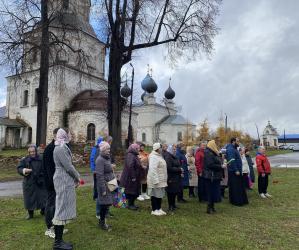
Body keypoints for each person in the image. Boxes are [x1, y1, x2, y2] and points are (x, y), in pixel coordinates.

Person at [52, 128, 81, 250]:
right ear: (63, 135)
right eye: (68, 134)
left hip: (64, 179)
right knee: (61, 209)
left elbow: (68, 164)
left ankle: (60, 241)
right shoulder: (59, 148)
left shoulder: (62, 146)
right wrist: (78, 177)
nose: (70, 136)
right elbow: (68, 167)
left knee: (63, 209)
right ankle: (58, 243)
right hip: (62, 180)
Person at [17, 145, 47, 220]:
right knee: (29, 199)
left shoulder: (42, 158)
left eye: (33, 151)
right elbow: (19, 168)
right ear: (28, 152)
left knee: (43, 197)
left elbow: (46, 168)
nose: (32, 153)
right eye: (30, 152)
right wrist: (24, 170)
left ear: (36, 151)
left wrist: (43, 176)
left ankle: (43, 211)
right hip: (29, 182)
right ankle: (30, 214)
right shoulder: (25, 160)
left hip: (40, 182)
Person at [43, 128, 60, 238]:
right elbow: (49, 169)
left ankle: (56, 226)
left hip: (57, 182)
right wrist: (54, 183)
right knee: (50, 205)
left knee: (57, 205)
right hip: (51, 183)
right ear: (54, 136)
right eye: (59, 135)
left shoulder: (58, 147)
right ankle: (49, 228)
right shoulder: (50, 149)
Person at [95, 141, 115, 230]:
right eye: (107, 149)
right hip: (104, 185)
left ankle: (103, 222)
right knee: (103, 204)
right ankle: (102, 223)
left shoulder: (107, 158)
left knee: (107, 204)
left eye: (109, 148)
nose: (109, 150)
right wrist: (103, 189)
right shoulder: (100, 160)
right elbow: (99, 176)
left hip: (110, 183)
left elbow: (108, 169)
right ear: (102, 150)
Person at [120, 143, 143, 210]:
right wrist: (133, 177)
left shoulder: (134, 155)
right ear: (134, 149)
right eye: (137, 148)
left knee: (134, 190)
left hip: (134, 176)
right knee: (131, 191)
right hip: (130, 177)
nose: (139, 149)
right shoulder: (131, 155)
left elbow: (136, 164)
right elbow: (130, 166)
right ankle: (130, 205)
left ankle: (132, 204)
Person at [226, 138, 248, 206]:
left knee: (238, 186)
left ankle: (238, 200)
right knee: (235, 187)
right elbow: (232, 160)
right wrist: (236, 170)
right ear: (233, 142)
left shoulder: (233, 148)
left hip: (236, 170)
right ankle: (236, 201)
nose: (238, 143)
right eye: (237, 141)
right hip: (234, 171)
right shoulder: (230, 149)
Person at [202, 140, 223, 214]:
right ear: (212, 145)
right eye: (215, 144)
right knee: (210, 192)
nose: (216, 146)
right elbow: (210, 165)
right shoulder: (208, 153)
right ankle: (209, 208)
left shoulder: (213, 152)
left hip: (213, 176)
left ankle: (212, 207)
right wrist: (221, 166)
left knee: (213, 192)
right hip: (210, 176)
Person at [147, 143, 168, 216]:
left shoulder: (159, 156)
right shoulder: (153, 157)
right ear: (157, 149)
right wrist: (155, 180)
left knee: (160, 195)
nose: (162, 149)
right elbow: (152, 169)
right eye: (161, 148)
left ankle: (159, 208)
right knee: (155, 195)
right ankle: (154, 209)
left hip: (161, 179)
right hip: (155, 180)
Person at [164, 144, 182, 212]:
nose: (175, 150)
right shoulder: (168, 156)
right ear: (170, 150)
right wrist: (179, 169)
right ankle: (170, 206)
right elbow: (169, 168)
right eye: (173, 149)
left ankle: (173, 204)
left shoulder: (175, 156)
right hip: (171, 177)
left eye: (175, 149)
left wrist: (180, 169)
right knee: (170, 192)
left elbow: (178, 165)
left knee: (174, 192)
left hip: (176, 177)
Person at [90, 137, 103, 219]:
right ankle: (95, 196)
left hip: (97, 169)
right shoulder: (95, 149)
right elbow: (92, 159)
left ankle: (96, 196)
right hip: (96, 170)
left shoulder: (100, 148)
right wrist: (93, 169)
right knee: (96, 183)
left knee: (97, 183)